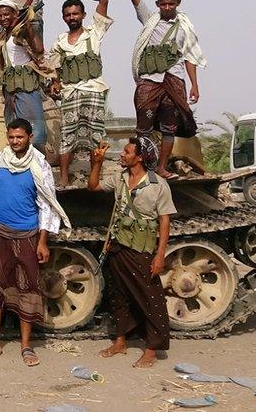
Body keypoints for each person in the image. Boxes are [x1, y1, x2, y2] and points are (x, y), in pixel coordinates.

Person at [0, 119, 69, 366]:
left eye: (20, 137)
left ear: (29, 137)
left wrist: (43, 241)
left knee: (28, 288)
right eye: (11, 137)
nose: (15, 142)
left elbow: (46, 203)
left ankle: (26, 346)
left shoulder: (39, 164)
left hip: (26, 233)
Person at [88, 137, 174, 368]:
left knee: (150, 297)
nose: (122, 154)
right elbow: (94, 186)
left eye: (127, 152)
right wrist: (96, 163)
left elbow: (164, 221)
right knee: (119, 295)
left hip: (141, 248)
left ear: (140, 157)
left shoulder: (157, 185)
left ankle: (152, 348)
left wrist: (160, 255)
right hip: (118, 245)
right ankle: (120, 341)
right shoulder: (120, 178)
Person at [129, 0, 207, 179]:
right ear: (157, 4)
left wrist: (194, 85)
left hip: (173, 79)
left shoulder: (184, 27)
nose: (167, 8)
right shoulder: (149, 20)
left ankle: (161, 167)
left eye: (171, 4)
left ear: (178, 3)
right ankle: (143, 167)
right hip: (149, 79)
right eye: (163, 4)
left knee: (168, 127)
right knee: (143, 124)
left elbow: (190, 57)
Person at [46, 0, 113, 187]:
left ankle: (96, 177)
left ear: (83, 15)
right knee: (67, 136)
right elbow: (53, 66)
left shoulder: (94, 33)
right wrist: (55, 82)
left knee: (96, 136)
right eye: (68, 15)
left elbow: (103, 2)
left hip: (94, 89)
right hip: (70, 92)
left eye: (76, 13)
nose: (72, 17)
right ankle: (64, 177)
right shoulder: (60, 41)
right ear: (64, 17)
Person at [0, 0, 49, 151]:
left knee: (34, 135)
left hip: (26, 88)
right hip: (11, 90)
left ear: (15, 14)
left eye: (6, 14)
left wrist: (29, 26)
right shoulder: (4, 37)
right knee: (16, 133)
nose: (3, 18)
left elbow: (39, 49)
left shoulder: (22, 30)